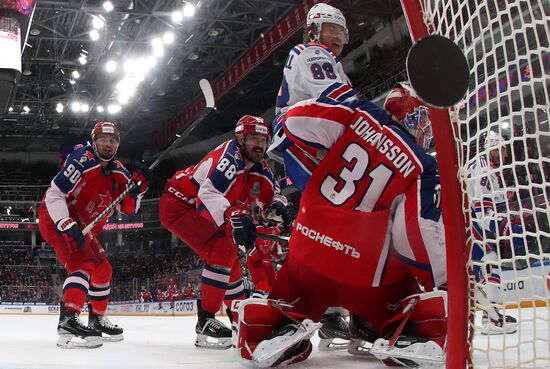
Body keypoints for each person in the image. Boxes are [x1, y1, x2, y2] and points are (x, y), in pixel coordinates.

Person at [236, 84, 448, 368]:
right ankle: (400, 331)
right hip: (365, 275)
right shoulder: (423, 166)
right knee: (400, 294)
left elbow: (294, 121)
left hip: (308, 254)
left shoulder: (358, 114)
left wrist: (336, 107)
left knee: (292, 297)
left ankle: (281, 327)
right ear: (415, 117)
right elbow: (414, 234)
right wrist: (444, 278)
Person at [159, 115, 290, 349]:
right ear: (240, 139)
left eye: (263, 138)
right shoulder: (229, 158)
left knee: (230, 261)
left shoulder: (261, 166)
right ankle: (206, 320)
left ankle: (238, 316)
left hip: (198, 205)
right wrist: (235, 214)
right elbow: (205, 197)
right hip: (180, 205)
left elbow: (271, 198)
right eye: (253, 138)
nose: (259, 144)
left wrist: (278, 206)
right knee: (224, 248)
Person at [270, 3, 354, 349]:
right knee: (334, 220)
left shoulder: (330, 60)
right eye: (333, 29)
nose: (338, 38)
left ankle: (336, 313)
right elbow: (335, 99)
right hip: (304, 140)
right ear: (315, 29)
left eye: (342, 32)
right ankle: (289, 308)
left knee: (340, 225)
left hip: (317, 144)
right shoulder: (310, 52)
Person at [38, 121, 150, 348]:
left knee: (103, 269)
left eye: (112, 140)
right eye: (103, 140)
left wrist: (139, 189)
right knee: (83, 264)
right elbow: (54, 194)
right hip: (57, 220)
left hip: (82, 227)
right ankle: (69, 318)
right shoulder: (82, 159)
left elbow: (128, 208)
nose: (108, 144)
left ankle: (97, 319)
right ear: (94, 141)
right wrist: (64, 222)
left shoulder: (119, 170)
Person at [466, 126, 521, 334]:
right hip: (474, 222)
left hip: (472, 221)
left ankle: (492, 315)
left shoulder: (486, 166)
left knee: (483, 268)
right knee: (490, 260)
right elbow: (481, 205)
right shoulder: (484, 168)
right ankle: (492, 318)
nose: (505, 154)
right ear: (493, 148)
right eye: (502, 149)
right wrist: (492, 231)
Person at [246, 210, 283, 298]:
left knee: (275, 286)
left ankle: (274, 308)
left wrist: (281, 257)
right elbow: (246, 244)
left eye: (269, 213)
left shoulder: (276, 230)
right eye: (264, 212)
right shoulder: (254, 227)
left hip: (268, 262)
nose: (267, 215)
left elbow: (274, 249)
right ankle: (254, 308)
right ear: (260, 212)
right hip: (255, 262)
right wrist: (256, 256)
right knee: (262, 283)